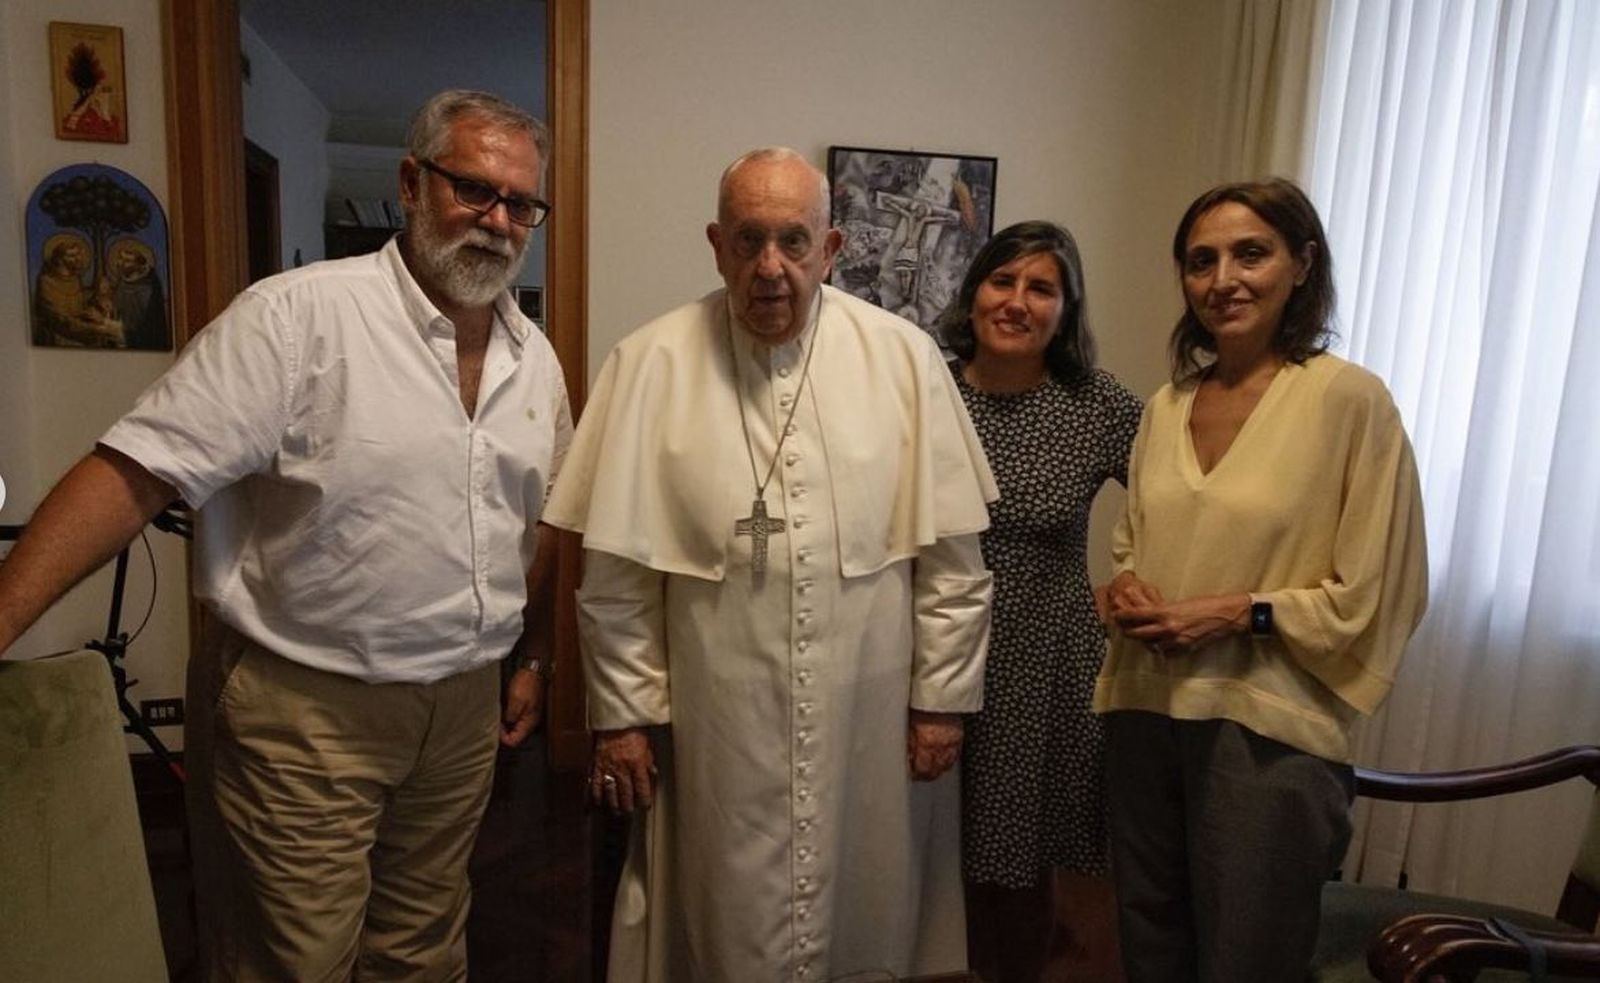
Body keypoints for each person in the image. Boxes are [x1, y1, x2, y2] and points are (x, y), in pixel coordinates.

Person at [0, 89, 570, 980]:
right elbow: (134, 473)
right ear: (413, 183)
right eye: (474, 191)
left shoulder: (534, 357)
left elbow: (537, 524)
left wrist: (530, 658)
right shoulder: (296, 318)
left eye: (520, 204)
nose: (498, 221)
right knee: (294, 961)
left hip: (460, 712)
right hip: (307, 709)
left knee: (423, 950)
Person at [542, 147, 997, 983]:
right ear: (716, 245)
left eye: (794, 242)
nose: (770, 268)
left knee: (867, 909)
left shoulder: (903, 359)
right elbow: (615, 579)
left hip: (868, 703)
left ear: (832, 248)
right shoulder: (651, 363)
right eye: (748, 241)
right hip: (717, 716)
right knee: (719, 914)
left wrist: (941, 701)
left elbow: (953, 565)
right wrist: (624, 716)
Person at [1098, 178, 1428, 982]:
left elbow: (1379, 588)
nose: (1223, 279)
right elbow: (1132, 546)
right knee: (1152, 950)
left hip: (1267, 733)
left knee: (1250, 959)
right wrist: (1125, 590)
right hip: (1142, 710)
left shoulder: (1349, 401)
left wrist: (1242, 612)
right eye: (1202, 260)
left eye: (1251, 253)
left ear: (1301, 263)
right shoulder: (1163, 407)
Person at [935, 220, 1142, 983]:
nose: (1017, 302)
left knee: (1016, 865)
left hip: (1042, 662)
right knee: (926, 853)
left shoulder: (1094, 404)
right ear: (975, 291)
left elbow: (1186, 491)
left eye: (1041, 287)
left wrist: (1124, 581)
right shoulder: (929, 389)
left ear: (1066, 308)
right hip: (924, 649)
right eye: (1002, 281)